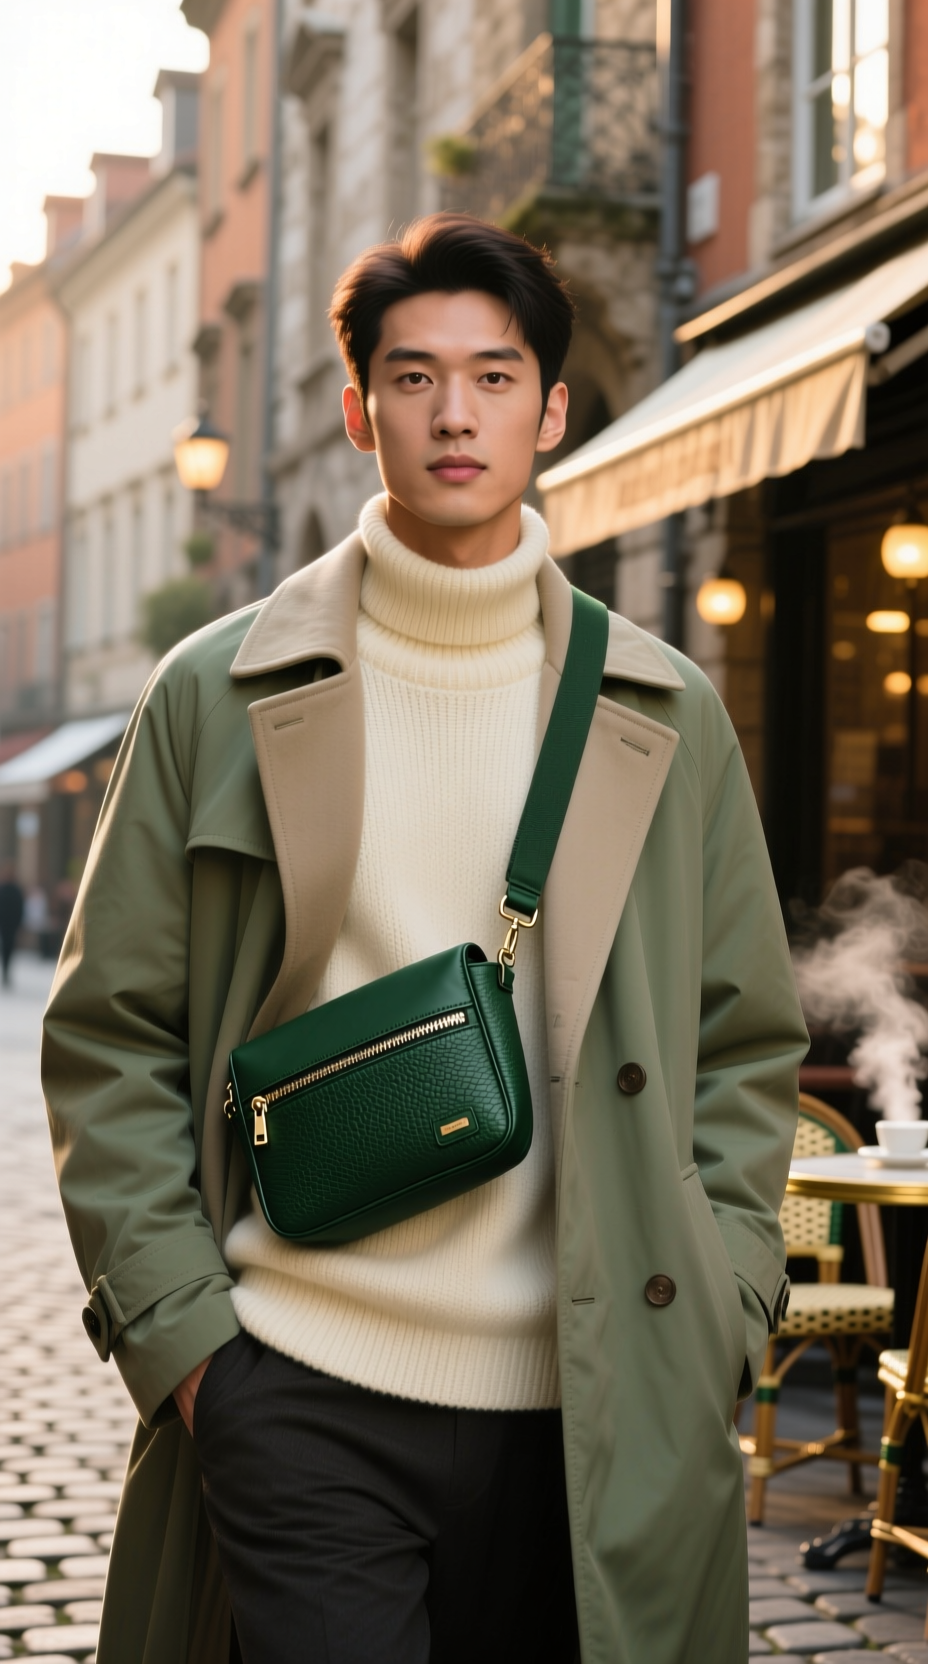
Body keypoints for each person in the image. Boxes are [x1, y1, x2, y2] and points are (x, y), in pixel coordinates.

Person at [42, 214, 807, 1664]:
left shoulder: (665, 712)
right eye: (413, 378)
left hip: (596, 1398)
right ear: (358, 412)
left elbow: (744, 1042)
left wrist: (722, 1301)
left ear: (554, 410)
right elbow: (110, 1035)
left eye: (496, 376)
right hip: (298, 1386)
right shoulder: (219, 692)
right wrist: (195, 1353)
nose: (455, 413)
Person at [0, 863, 24, 986]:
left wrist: (19, 923)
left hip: (11, 924)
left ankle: (6, 971)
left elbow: (20, 908)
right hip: (5, 923)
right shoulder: (5, 889)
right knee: (6, 948)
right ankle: (5, 971)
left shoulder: (15, 890)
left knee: (8, 948)